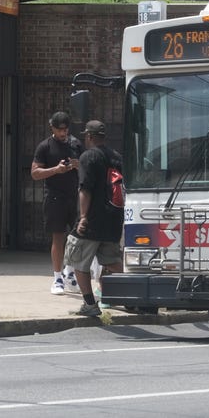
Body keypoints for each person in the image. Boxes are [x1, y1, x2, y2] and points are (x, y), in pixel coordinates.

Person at [65, 120, 124, 317]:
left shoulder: (88, 156)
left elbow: (85, 189)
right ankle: (133, 297)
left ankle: (90, 304)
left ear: (89, 136)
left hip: (92, 220)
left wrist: (83, 217)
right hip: (113, 219)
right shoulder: (116, 157)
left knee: (78, 260)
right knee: (113, 262)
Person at [31, 111, 83, 295]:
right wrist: (56, 169)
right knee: (58, 237)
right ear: (52, 127)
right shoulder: (45, 146)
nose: (63, 133)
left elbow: (86, 167)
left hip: (74, 196)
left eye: (65, 129)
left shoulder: (76, 144)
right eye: (59, 129)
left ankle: (70, 271)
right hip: (54, 196)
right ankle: (57, 277)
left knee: (77, 237)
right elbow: (35, 173)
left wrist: (77, 164)